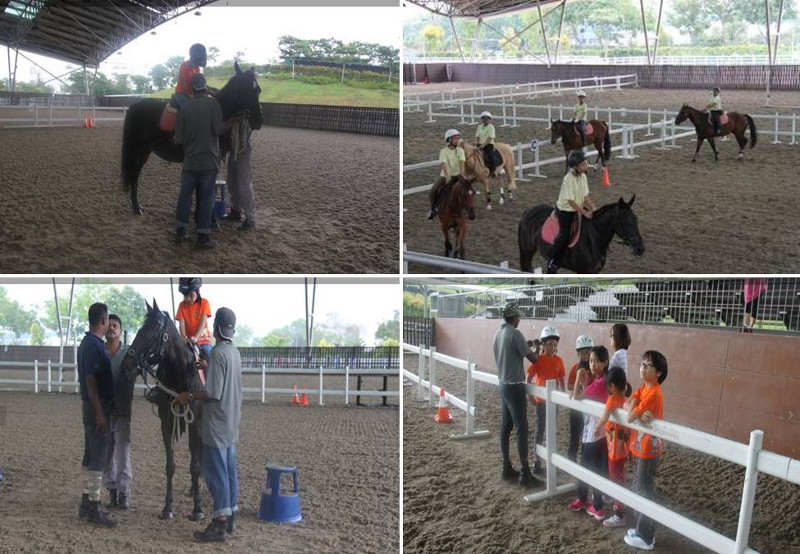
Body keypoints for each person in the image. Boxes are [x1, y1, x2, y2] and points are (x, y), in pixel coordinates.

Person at [176, 307, 242, 542]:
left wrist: (190, 396)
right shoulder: (234, 352)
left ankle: (219, 524)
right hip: (232, 423)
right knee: (230, 471)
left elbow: (213, 392)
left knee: (216, 474)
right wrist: (207, 367)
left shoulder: (217, 353)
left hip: (216, 424)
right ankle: (231, 515)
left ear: (215, 328)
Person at [77, 303, 117, 528]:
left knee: (90, 456)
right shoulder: (93, 345)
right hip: (97, 406)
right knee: (98, 459)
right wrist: (100, 413)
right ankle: (94, 506)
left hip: (91, 407)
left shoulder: (88, 343)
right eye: (108, 320)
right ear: (103, 321)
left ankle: (85, 503)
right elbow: (91, 382)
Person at [624, 350, 668, 551]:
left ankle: (646, 536)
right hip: (641, 448)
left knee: (643, 489)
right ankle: (644, 530)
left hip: (648, 450)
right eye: (641, 363)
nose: (642, 367)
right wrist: (634, 408)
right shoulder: (644, 388)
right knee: (638, 486)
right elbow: (628, 404)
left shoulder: (653, 393)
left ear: (658, 372)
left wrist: (634, 410)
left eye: (647, 365)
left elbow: (629, 417)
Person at [174, 72, 225, 248]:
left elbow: (178, 139)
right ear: (205, 85)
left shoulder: (185, 108)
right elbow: (218, 130)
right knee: (205, 199)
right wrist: (232, 121)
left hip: (189, 163)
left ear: (192, 88)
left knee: (184, 197)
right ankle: (203, 237)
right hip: (208, 162)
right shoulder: (213, 103)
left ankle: (181, 231)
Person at [493, 302, 540, 488]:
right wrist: (538, 348)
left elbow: (512, 350)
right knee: (522, 428)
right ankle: (525, 473)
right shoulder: (515, 333)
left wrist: (526, 345)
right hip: (515, 387)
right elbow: (534, 359)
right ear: (513, 318)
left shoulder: (498, 334)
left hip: (503, 384)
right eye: (518, 317)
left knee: (506, 427)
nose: (520, 319)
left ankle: (506, 466)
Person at [568, 345, 610, 520]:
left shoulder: (601, 383)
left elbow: (576, 396)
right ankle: (585, 499)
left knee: (591, 470)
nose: (593, 364)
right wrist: (586, 382)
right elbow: (588, 393)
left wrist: (578, 377)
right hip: (594, 433)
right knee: (590, 468)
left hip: (594, 434)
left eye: (597, 361)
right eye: (591, 361)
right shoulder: (599, 380)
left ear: (605, 362)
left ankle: (598, 507)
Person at [547, 149, 597, 274]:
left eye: (585, 163)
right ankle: (553, 260)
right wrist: (584, 212)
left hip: (578, 207)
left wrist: (593, 208)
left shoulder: (583, 177)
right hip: (566, 210)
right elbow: (570, 201)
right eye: (583, 164)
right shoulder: (568, 179)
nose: (586, 166)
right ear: (575, 166)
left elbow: (585, 197)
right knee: (565, 235)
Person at [594, 366, 632, 528]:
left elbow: (604, 416)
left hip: (615, 450)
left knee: (616, 478)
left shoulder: (613, 399)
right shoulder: (625, 400)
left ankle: (619, 513)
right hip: (623, 449)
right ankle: (621, 506)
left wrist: (597, 428)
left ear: (613, 387)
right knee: (620, 476)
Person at [102, 314, 133, 511]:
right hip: (103, 412)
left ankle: (124, 493)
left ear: (120, 331)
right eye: (109, 325)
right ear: (104, 329)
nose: (112, 329)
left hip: (122, 411)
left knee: (123, 454)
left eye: (116, 326)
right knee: (106, 454)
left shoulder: (129, 353)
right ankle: (111, 491)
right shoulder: (100, 352)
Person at [526, 325, 566, 475]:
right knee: (540, 431)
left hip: (554, 402)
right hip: (541, 403)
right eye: (549, 344)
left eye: (554, 344)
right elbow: (529, 378)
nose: (552, 347)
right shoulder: (538, 360)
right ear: (543, 344)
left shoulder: (559, 361)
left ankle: (550, 460)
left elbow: (561, 380)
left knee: (551, 430)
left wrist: (563, 397)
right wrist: (530, 396)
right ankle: (537, 461)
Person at [221, 114, 256, 231]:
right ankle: (236, 210)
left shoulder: (246, 113)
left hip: (242, 147)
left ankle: (250, 217)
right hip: (234, 148)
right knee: (232, 181)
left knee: (244, 181)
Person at [426, 129, 466, 220]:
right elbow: (444, 164)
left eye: (458, 138)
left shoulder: (460, 151)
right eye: (455, 138)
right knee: (433, 191)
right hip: (445, 176)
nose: (457, 140)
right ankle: (433, 210)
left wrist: (461, 175)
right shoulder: (443, 152)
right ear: (449, 140)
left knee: (468, 190)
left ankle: (467, 209)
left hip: (458, 175)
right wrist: (448, 177)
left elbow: (462, 163)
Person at [567, 335, 593, 462]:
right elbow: (569, 385)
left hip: (587, 409)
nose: (585, 355)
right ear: (578, 353)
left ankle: (584, 461)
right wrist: (576, 388)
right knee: (574, 436)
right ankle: (571, 460)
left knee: (585, 435)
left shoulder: (593, 369)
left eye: (587, 352)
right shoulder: (574, 368)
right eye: (582, 352)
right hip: (576, 409)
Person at [176, 277, 213, 361]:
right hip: (188, 342)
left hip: (203, 342)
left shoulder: (204, 303)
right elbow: (181, 324)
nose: (188, 299)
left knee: (209, 359)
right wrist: (183, 337)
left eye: (191, 295)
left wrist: (196, 337)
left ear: (198, 291)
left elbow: (203, 322)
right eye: (185, 295)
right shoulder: (182, 305)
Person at [174, 43, 207, 109]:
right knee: (190, 109)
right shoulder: (184, 66)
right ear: (195, 56)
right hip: (181, 94)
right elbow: (184, 84)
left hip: (192, 94)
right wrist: (190, 96)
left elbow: (198, 83)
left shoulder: (197, 68)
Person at [475, 111, 498, 177]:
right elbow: (477, 136)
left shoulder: (491, 127)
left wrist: (483, 145)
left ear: (489, 119)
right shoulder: (479, 127)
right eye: (483, 119)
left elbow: (490, 138)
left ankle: (493, 170)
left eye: (486, 119)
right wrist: (476, 143)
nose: (485, 120)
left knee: (490, 155)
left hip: (488, 144)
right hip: (479, 144)